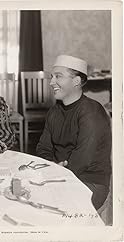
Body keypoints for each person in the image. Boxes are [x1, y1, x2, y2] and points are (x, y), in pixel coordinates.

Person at [36, 55, 112, 210]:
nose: (51, 83)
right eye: (52, 77)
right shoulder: (54, 111)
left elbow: (82, 160)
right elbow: (43, 149)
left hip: (90, 182)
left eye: (58, 76)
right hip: (59, 176)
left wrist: (54, 173)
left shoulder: (92, 112)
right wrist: (52, 167)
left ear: (76, 81)